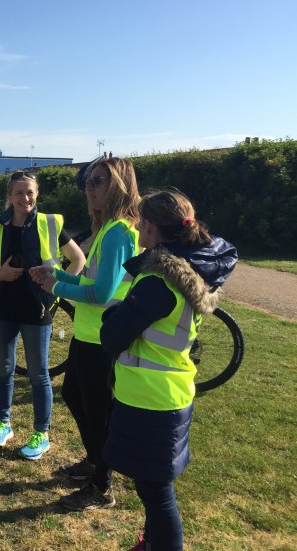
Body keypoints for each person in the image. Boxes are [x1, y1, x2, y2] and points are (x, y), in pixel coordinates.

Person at [99, 190, 236, 550]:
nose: (136, 226)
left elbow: (112, 336)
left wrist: (114, 314)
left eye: (140, 220)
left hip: (151, 398)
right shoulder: (190, 269)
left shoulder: (159, 281)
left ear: (150, 227)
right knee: (154, 487)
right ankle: (153, 542)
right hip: (170, 390)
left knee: (156, 492)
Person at [30, 156, 141, 510]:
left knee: (98, 412)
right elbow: (92, 281)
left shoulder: (120, 232)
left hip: (103, 339)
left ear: (120, 186)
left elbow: (101, 293)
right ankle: (96, 461)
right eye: (89, 182)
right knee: (74, 397)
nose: (90, 189)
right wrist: (59, 276)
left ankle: (102, 486)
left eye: (99, 182)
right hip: (88, 333)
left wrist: (56, 288)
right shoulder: (107, 229)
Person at [0, 171, 85, 459]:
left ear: (37, 194)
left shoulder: (51, 223)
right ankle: (3, 424)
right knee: (3, 369)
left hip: (37, 308)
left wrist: (57, 288)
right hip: (3, 308)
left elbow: (78, 259)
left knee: (39, 374)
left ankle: (42, 433)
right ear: (9, 197)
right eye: (18, 193)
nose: (25, 198)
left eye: (30, 192)